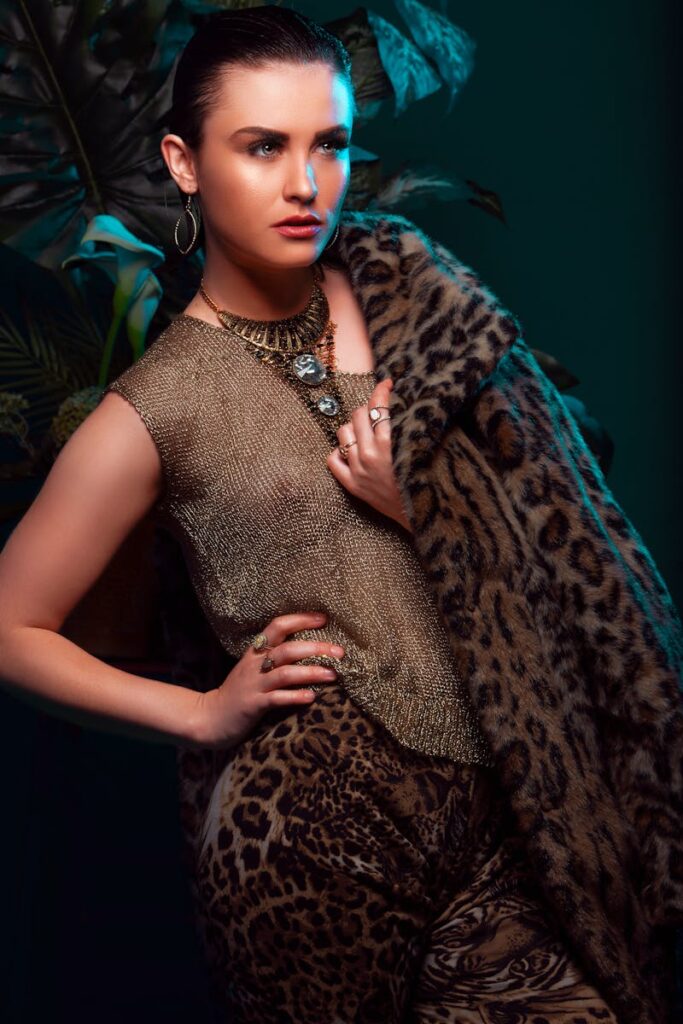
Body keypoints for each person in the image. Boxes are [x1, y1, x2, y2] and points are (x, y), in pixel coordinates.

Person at [0, 7, 680, 1024]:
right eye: (262, 146)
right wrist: (196, 713)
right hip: (308, 839)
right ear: (183, 163)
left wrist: (423, 509)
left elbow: (559, 529)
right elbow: (12, 626)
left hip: (508, 828)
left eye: (329, 144)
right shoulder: (157, 405)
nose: (303, 182)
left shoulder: (412, 288)